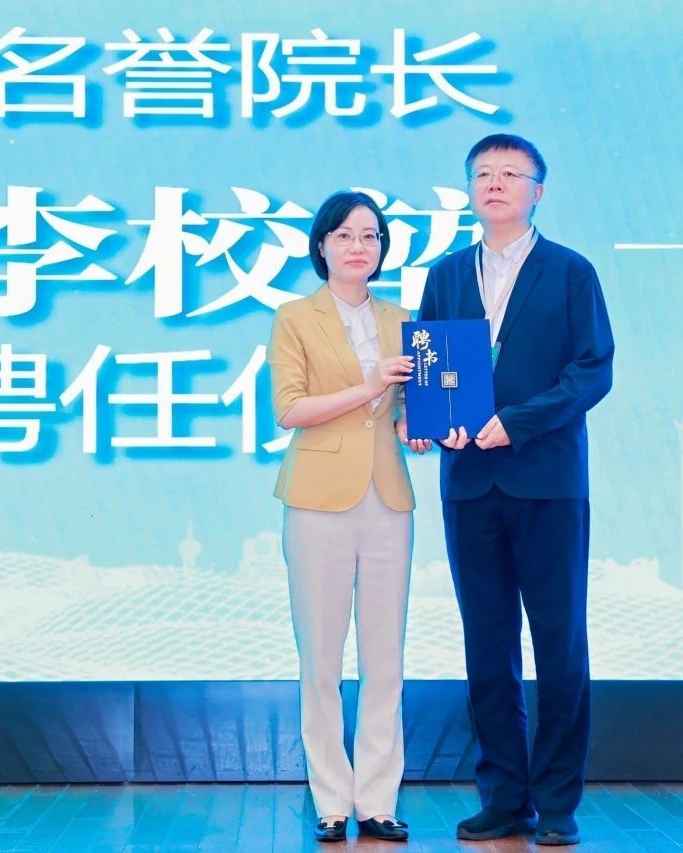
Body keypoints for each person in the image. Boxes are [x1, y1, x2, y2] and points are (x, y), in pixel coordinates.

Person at [417, 135, 614, 846]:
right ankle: (503, 796)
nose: (494, 183)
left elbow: (592, 371)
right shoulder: (446, 274)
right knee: (487, 644)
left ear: (538, 190)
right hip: (470, 483)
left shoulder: (571, 272)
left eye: (510, 173)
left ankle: (557, 801)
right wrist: (431, 422)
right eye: (483, 174)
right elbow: (432, 368)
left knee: (559, 641)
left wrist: (516, 423)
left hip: (547, 482)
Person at [268, 190, 429, 843]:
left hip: (388, 496)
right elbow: (289, 409)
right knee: (322, 657)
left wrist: (415, 426)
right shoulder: (293, 317)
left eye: (370, 235)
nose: (358, 246)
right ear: (322, 245)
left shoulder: (403, 319)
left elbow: (406, 411)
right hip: (316, 498)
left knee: (386, 656)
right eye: (344, 235)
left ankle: (378, 799)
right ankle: (332, 799)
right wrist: (369, 386)